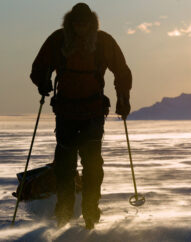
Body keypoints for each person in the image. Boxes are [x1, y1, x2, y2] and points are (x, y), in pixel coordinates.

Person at [30, 3, 132, 229]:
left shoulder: (103, 41)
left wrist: (123, 99)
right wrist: (43, 81)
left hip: (93, 113)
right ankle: (65, 212)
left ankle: (90, 211)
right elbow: (39, 67)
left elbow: (122, 71)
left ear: (91, 22)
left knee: (92, 165)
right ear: (71, 22)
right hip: (66, 112)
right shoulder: (58, 40)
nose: (81, 27)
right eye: (77, 23)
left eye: (84, 23)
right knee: (65, 166)